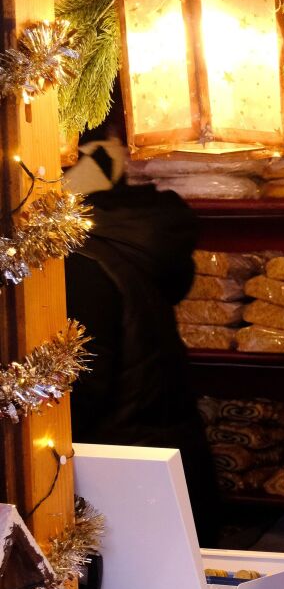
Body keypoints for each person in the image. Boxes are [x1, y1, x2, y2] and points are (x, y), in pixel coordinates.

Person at [63, 127, 221, 545]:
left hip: (120, 491)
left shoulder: (81, 264)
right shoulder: (121, 248)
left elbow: (75, 395)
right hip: (159, 475)